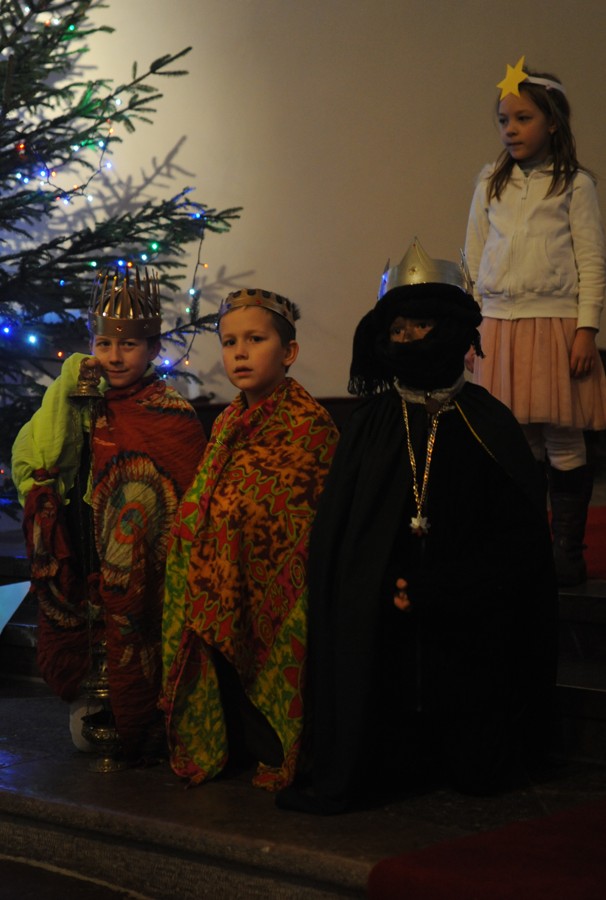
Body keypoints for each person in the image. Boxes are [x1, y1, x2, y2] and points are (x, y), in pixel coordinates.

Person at [277, 239, 558, 815]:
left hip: (470, 628)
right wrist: (386, 585)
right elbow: (344, 545)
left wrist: (448, 587)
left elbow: (519, 546)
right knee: (386, 753)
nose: (408, 340)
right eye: (398, 330)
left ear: (453, 331)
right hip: (386, 628)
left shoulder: (489, 423)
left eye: (422, 327)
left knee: (481, 775)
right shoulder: (370, 425)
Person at [11, 269, 207, 763]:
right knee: (87, 731)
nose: (115, 357)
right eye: (104, 343)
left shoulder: (171, 414)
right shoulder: (74, 403)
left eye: (129, 345)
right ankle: (97, 696)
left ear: (153, 348)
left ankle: (150, 710)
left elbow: (184, 500)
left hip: (144, 570)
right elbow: (37, 461)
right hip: (85, 558)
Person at [160, 288, 339, 791]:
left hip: (276, 595)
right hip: (217, 583)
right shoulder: (226, 422)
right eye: (229, 341)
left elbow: (299, 521)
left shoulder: (310, 427)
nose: (240, 352)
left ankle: (274, 745)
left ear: (289, 351)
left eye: (255, 340)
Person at [465, 56, 606, 586]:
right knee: (516, 440)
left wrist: (587, 328)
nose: (511, 129)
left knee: (563, 437)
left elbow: (592, 260)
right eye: (504, 120)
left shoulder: (575, 185)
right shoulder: (490, 183)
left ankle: (567, 550)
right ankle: (524, 546)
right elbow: (473, 257)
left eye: (523, 118)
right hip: (498, 325)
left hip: (554, 324)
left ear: (552, 122)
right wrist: (470, 328)